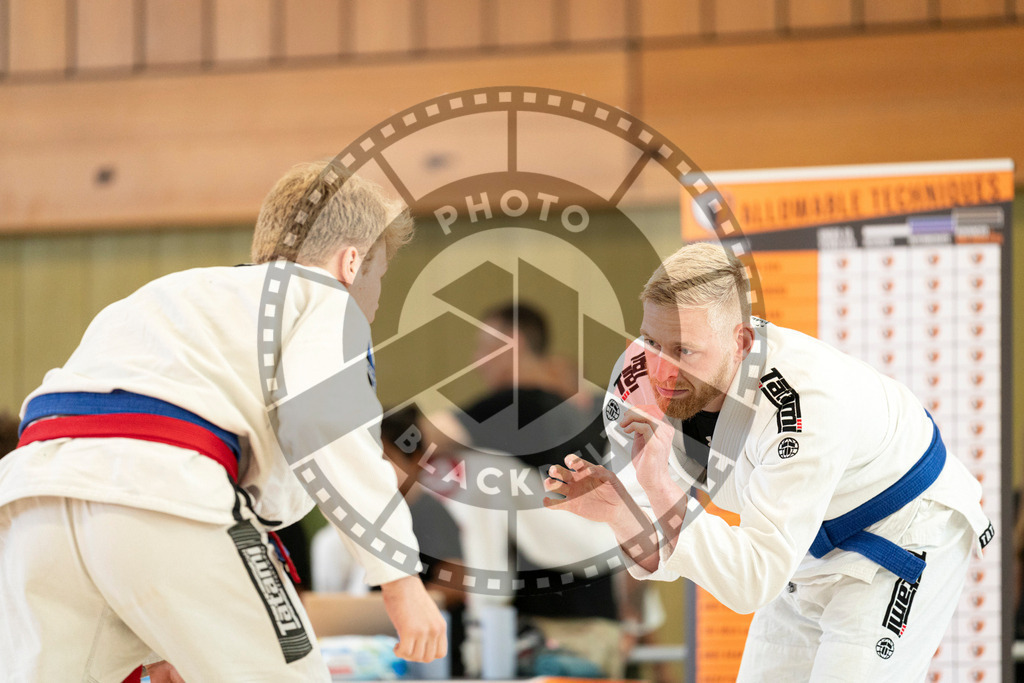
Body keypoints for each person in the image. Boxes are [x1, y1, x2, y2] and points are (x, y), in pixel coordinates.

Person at [0, 162, 447, 682]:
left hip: (32, 506)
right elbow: (325, 423)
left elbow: (113, 450)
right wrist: (399, 579)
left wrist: (164, 634)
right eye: (380, 276)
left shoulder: (164, 294)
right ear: (352, 262)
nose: (372, 304)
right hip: (168, 493)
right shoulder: (324, 299)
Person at [545, 241, 992, 681]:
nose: (662, 369)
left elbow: (750, 582)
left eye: (685, 351)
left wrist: (660, 489)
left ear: (740, 341)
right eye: (651, 341)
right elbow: (658, 558)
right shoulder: (634, 387)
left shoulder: (802, 404)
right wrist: (619, 511)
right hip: (806, 540)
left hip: (904, 527)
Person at [456, 302, 627, 677]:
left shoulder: (527, 405)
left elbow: (425, 434)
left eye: (483, 348)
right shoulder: (563, 425)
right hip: (562, 618)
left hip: (572, 625)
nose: (476, 360)